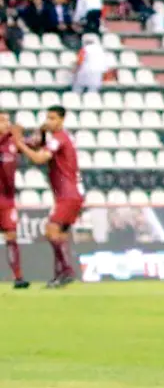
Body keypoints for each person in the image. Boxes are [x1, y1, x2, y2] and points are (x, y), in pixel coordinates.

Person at [12, 106, 83, 288]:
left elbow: (38, 158)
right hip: (67, 193)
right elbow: (34, 144)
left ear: (61, 120)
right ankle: (60, 275)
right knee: (60, 235)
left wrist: (19, 143)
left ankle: (66, 271)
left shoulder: (59, 139)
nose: (49, 121)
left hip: (67, 194)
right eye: (47, 118)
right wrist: (37, 133)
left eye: (52, 118)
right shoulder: (57, 138)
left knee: (51, 230)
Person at [0, 112, 29, 289]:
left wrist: (32, 135)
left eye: (7, 121)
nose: (6, 124)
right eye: (1, 121)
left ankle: (18, 277)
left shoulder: (12, 142)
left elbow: (35, 145)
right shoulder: (6, 139)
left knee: (11, 237)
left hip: (7, 200)